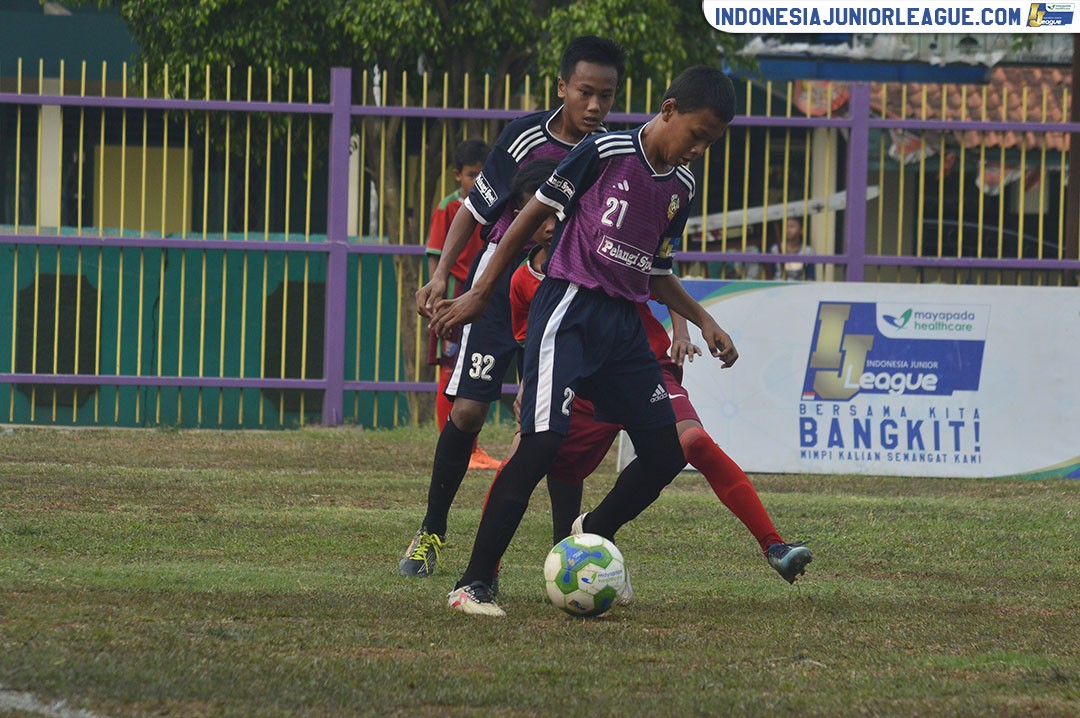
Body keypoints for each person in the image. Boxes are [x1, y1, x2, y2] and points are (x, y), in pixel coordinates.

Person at [434, 65, 742, 616]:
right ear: (668, 110)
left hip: (622, 327)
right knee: (544, 443)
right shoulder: (605, 153)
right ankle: (473, 583)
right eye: (696, 135)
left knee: (666, 451)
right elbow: (532, 215)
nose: (698, 149)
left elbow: (655, 269)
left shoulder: (682, 186)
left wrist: (700, 319)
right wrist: (481, 292)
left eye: (709, 143)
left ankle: (591, 531)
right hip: (569, 310)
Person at [495, 165, 810, 590]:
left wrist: (684, 329)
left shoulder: (604, 242)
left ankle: (773, 544)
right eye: (539, 216)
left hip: (640, 365)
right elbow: (531, 341)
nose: (550, 226)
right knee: (533, 455)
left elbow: (658, 274)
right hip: (583, 383)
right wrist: (526, 387)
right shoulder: (524, 282)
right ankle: (498, 571)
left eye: (558, 213)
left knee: (690, 441)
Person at [399, 36, 627, 578]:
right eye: (585, 92)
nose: (595, 106)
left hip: (565, 297)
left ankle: (566, 555)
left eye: (606, 96)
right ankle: (431, 530)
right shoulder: (525, 137)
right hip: (498, 289)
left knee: (555, 426)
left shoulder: (613, 151)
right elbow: (473, 210)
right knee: (470, 412)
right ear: (562, 88)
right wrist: (439, 275)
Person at [424, 138, 502, 470]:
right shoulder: (449, 207)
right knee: (450, 368)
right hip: (456, 294)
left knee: (470, 371)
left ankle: (472, 448)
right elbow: (435, 254)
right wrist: (437, 298)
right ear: (458, 176)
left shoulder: (496, 204)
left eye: (483, 174)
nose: (477, 181)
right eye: (471, 175)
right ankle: (456, 446)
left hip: (482, 295)